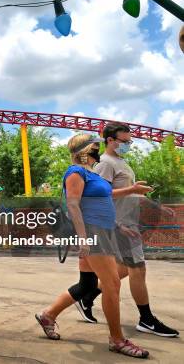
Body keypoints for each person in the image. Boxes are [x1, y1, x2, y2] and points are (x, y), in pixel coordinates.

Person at [35, 134, 150, 358]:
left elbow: (104, 199)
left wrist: (118, 222)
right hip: (92, 233)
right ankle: (117, 340)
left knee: (87, 284)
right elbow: (73, 205)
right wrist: (84, 238)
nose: (99, 151)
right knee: (112, 283)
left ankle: (48, 315)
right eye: (95, 147)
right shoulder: (75, 172)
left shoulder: (90, 174)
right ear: (85, 151)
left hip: (103, 231)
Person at [75, 123, 179, 337]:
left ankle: (87, 296)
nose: (128, 145)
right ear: (110, 140)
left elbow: (131, 194)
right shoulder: (105, 163)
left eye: (130, 142)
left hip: (127, 225)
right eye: (124, 141)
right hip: (119, 227)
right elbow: (98, 196)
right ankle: (146, 319)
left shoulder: (121, 162)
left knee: (121, 270)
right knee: (138, 269)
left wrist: (157, 207)